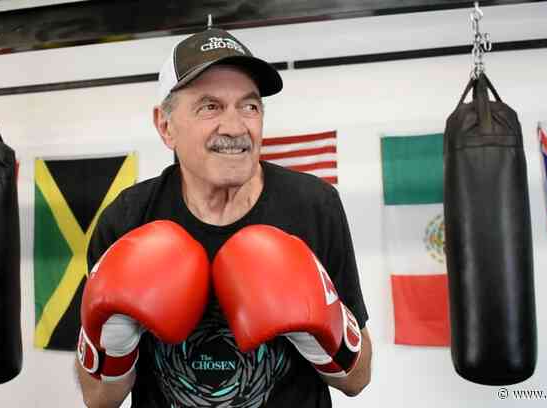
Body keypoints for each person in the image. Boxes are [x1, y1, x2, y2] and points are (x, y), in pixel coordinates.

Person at [75, 26, 372, 408]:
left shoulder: (314, 206)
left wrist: (324, 325)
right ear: (166, 127)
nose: (235, 128)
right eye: (210, 106)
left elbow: (358, 379)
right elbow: (99, 399)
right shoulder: (127, 220)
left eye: (249, 106)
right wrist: (114, 343)